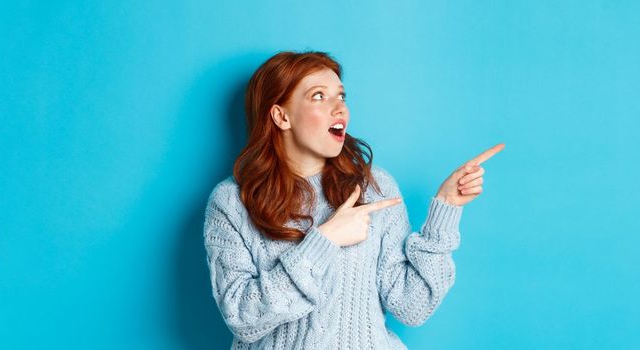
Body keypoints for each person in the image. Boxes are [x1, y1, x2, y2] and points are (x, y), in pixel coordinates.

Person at [202, 50, 504, 349]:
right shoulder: (232, 202)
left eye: (341, 96)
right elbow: (243, 318)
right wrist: (324, 240)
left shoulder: (375, 186)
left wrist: (446, 209)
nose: (339, 109)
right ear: (281, 116)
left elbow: (412, 306)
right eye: (319, 96)